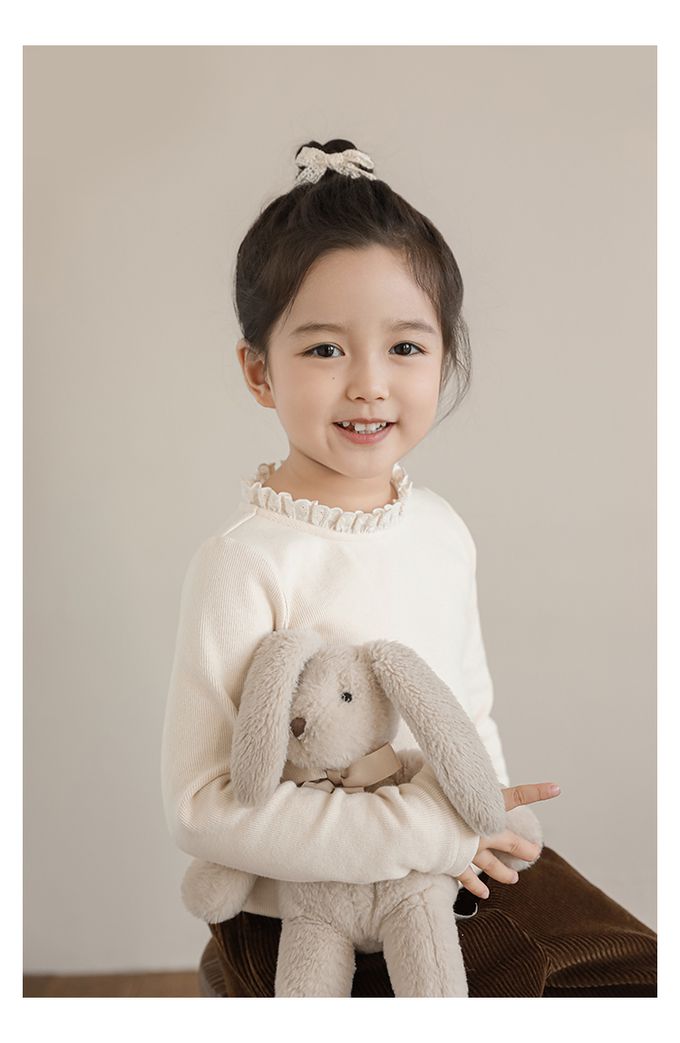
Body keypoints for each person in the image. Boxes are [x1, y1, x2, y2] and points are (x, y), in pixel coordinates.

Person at [160, 139, 657, 997]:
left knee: (631, 975)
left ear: (445, 356)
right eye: (324, 350)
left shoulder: (440, 530)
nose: (369, 384)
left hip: (447, 868)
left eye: (405, 347)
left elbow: (467, 710)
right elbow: (203, 804)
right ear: (258, 370)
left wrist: (489, 820)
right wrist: (426, 834)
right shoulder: (241, 563)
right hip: (304, 907)